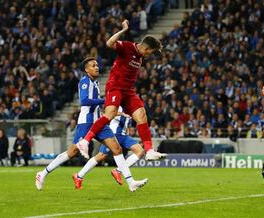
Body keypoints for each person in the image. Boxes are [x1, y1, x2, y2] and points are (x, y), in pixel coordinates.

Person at [35, 57, 147, 192]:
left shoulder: (95, 83)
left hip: (99, 122)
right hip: (86, 122)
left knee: (116, 149)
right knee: (72, 152)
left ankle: (131, 182)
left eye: (97, 65)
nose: (97, 67)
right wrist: (103, 101)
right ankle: (43, 173)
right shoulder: (84, 81)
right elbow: (84, 101)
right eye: (93, 66)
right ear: (86, 69)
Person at [76, 20, 167, 161]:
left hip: (128, 91)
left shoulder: (140, 57)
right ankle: (85, 141)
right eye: (152, 52)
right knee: (110, 114)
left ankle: (149, 151)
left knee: (142, 115)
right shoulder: (127, 47)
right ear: (147, 49)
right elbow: (109, 43)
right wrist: (123, 30)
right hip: (115, 86)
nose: (151, 55)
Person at [73, 107, 144, 189]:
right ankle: (79, 176)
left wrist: (126, 127)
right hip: (114, 134)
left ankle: (118, 171)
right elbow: (108, 112)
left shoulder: (127, 103)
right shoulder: (117, 102)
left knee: (140, 151)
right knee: (101, 156)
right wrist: (121, 114)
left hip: (123, 135)